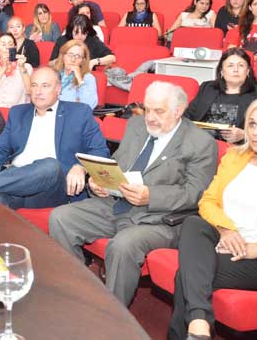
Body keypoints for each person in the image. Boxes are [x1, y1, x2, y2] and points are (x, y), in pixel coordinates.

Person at [49, 81, 218, 306]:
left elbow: (196, 194)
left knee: (123, 245)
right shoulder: (137, 125)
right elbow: (118, 163)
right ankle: (81, 290)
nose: (150, 117)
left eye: (159, 111)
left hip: (159, 219)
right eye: (147, 109)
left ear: (179, 111)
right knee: (61, 218)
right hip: (117, 203)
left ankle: (112, 315)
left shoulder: (200, 143)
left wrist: (151, 196)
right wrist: (99, 183)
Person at [167, 97, 257, 340]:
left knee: (185, 276)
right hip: (224, 242)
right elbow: (208, 202)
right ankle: (198, 323)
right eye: (252, 124)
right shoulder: (235, 158)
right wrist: (227, 230)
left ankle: (197, 322)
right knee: (194, 223)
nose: (256, 132)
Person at [0, 67, 109, 209]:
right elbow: (0, 148)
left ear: (58, 89)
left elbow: (100, 151)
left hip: (55, 188)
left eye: (45, 86)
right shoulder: (18, 113)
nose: (38, 91)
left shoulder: (79, 113)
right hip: (15, 184)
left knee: (51, 166)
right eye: (34, 85)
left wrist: (81, 167)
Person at [184, 48, 257, 143]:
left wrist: (245, 135)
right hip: (199, 141)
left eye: (241, 65)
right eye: (230, 66)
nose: (235, 70)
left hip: (236, 148)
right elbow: (188, 116)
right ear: (221, 71)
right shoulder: (207, 88)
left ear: (248, 71)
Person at [0, 33, 32, 108]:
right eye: (3, 45)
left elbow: (30, 91)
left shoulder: (26, 67)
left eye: (10, 44)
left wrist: (22, 67)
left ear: (15, 48)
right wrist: (4, 67)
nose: (7, 47)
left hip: (17, 111)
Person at [50, 14, 115, 69]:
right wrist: (61, 61)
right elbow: (50, 63)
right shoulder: (62, 40)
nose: (80, 36)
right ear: (71, 30)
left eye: (83, 33)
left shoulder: (93, 41)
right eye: (76, 33)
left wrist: (94, 62)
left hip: (86, 77)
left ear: (88, 32)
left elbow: (112, 58)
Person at [52, 40, 98, 109]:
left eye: (78, 56)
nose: (73, 59)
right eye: (70, 55)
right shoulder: (53, 74)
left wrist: (80, 79)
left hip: (72, 116)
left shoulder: (88, 78)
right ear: (63, 56)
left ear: (83, 60)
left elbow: (89, 105)